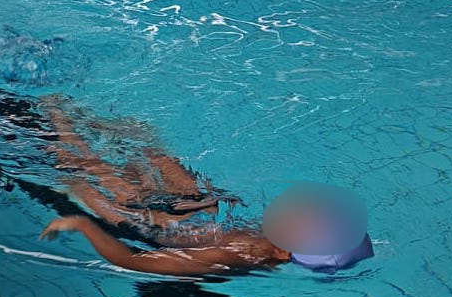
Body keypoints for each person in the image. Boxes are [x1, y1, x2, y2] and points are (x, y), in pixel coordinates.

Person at [40, 98, 292, 274]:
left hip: (151, 218)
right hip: (197, 205)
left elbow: (131, 261)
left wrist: (81, 224)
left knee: (81, 163)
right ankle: (77, 113)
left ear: (284, 253)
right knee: (150, 148)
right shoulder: (263, 234)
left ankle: (53, 106)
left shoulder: (222, 256)